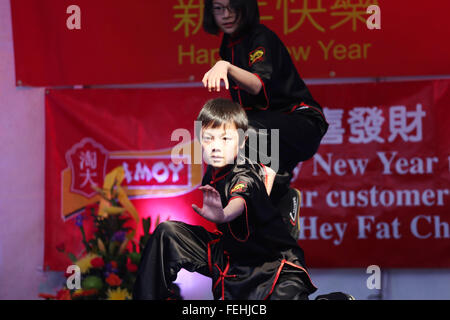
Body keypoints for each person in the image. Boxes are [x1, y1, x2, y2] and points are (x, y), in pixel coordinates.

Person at [132, 98, 317, 300]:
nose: (216, 146)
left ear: (243, 141)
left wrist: (223, 214)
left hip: (272, 266)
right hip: (230, 255)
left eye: (225, 139)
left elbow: (241, 195)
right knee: (168, 233)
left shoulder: (246, 171)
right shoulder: (212, 172)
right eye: (208, 138)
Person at [202, 0, 329, 214]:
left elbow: (256, 85)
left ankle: (277, 199)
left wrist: (226, 66)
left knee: (241, 131)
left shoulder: (261, 37)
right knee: (225, 155)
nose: (226, 14)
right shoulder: (228, 44)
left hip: (302, 122)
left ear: (246, 6)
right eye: (218, 8)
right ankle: (276, 207)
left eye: (233, 6)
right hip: (266, 129)